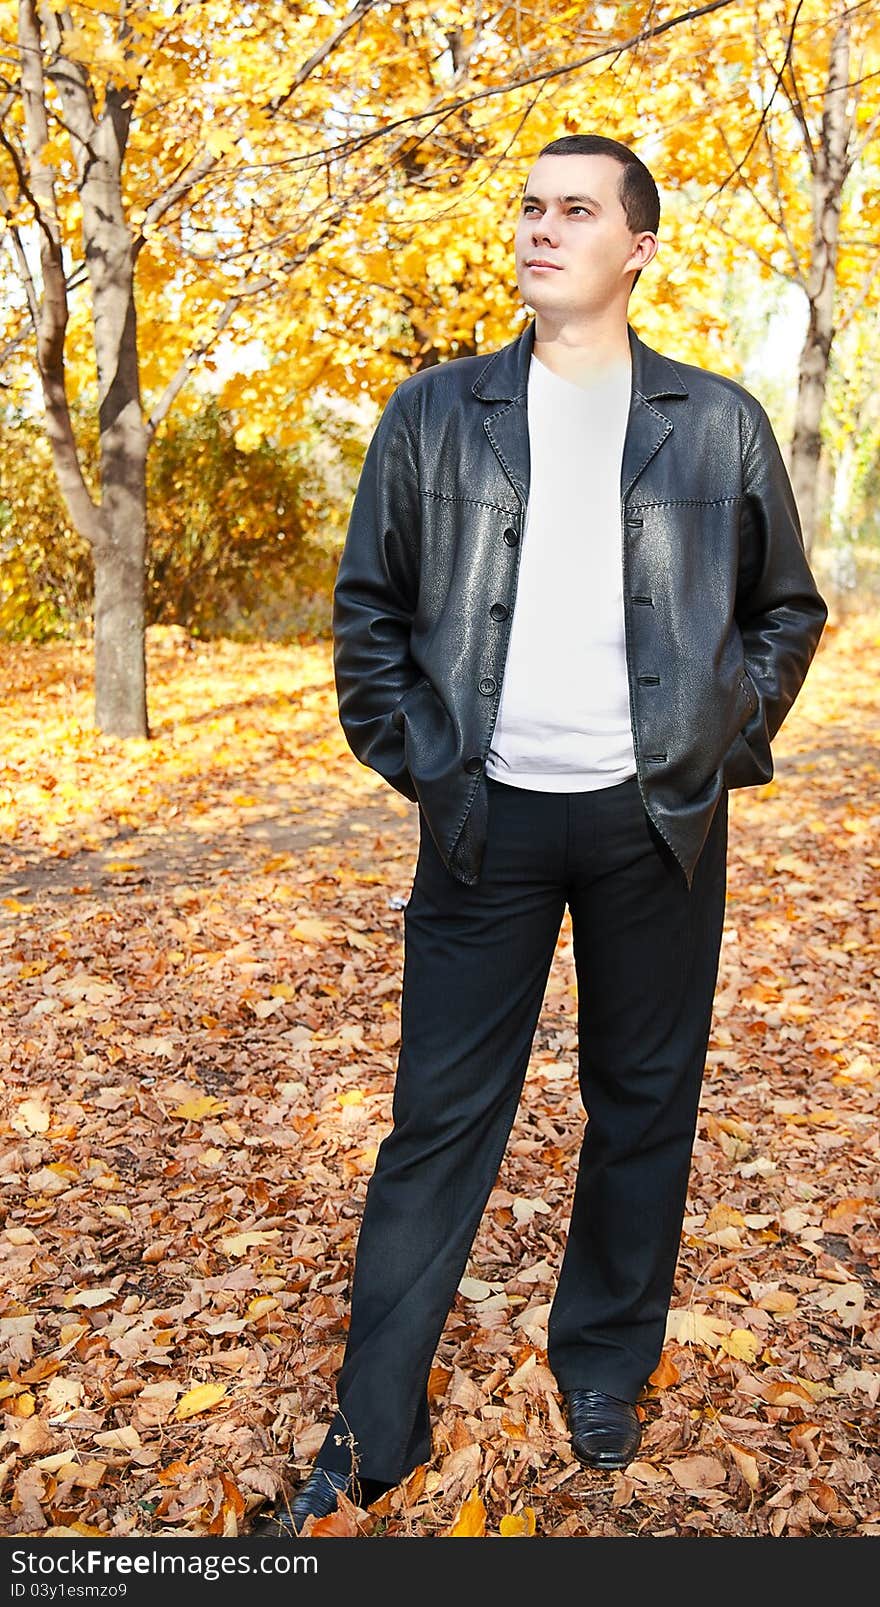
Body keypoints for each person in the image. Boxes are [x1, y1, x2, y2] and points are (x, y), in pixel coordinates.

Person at [254, 133, 827, 1536]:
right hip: (483, 828)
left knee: (643, 1107)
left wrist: (716, 738)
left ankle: (604, 1365)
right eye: (529, 207)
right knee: (436, 1124)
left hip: (659, 831)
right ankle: (375, 1426)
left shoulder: (717, 421)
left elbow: (784, 610)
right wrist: (430, 765)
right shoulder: (437, 415)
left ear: (638, 246)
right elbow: (370, 613)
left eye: (577, 210)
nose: (540, 229)